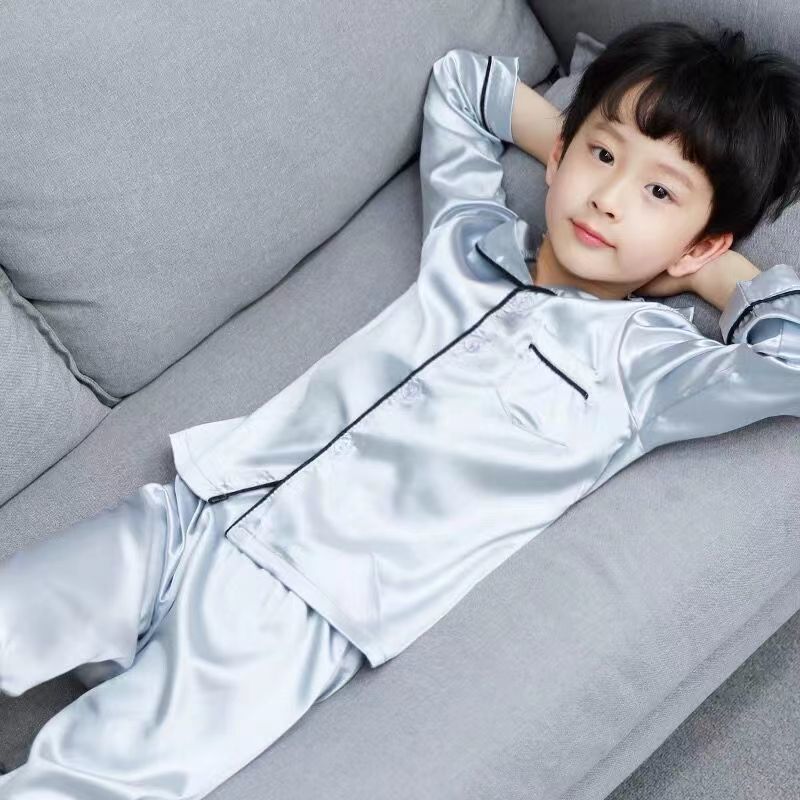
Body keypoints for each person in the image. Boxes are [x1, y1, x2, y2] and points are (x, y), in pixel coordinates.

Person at [2, 20, 800, 800]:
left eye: (659, 192)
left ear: (701, 241)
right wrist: (575, 146)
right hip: (195, 508)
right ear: (561, 154)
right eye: (602, 154)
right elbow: (463, 85)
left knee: (91, 781)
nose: (610, 199)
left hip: (292, 614)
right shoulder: (470, 242)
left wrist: (703, 271)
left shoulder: (649, 370)